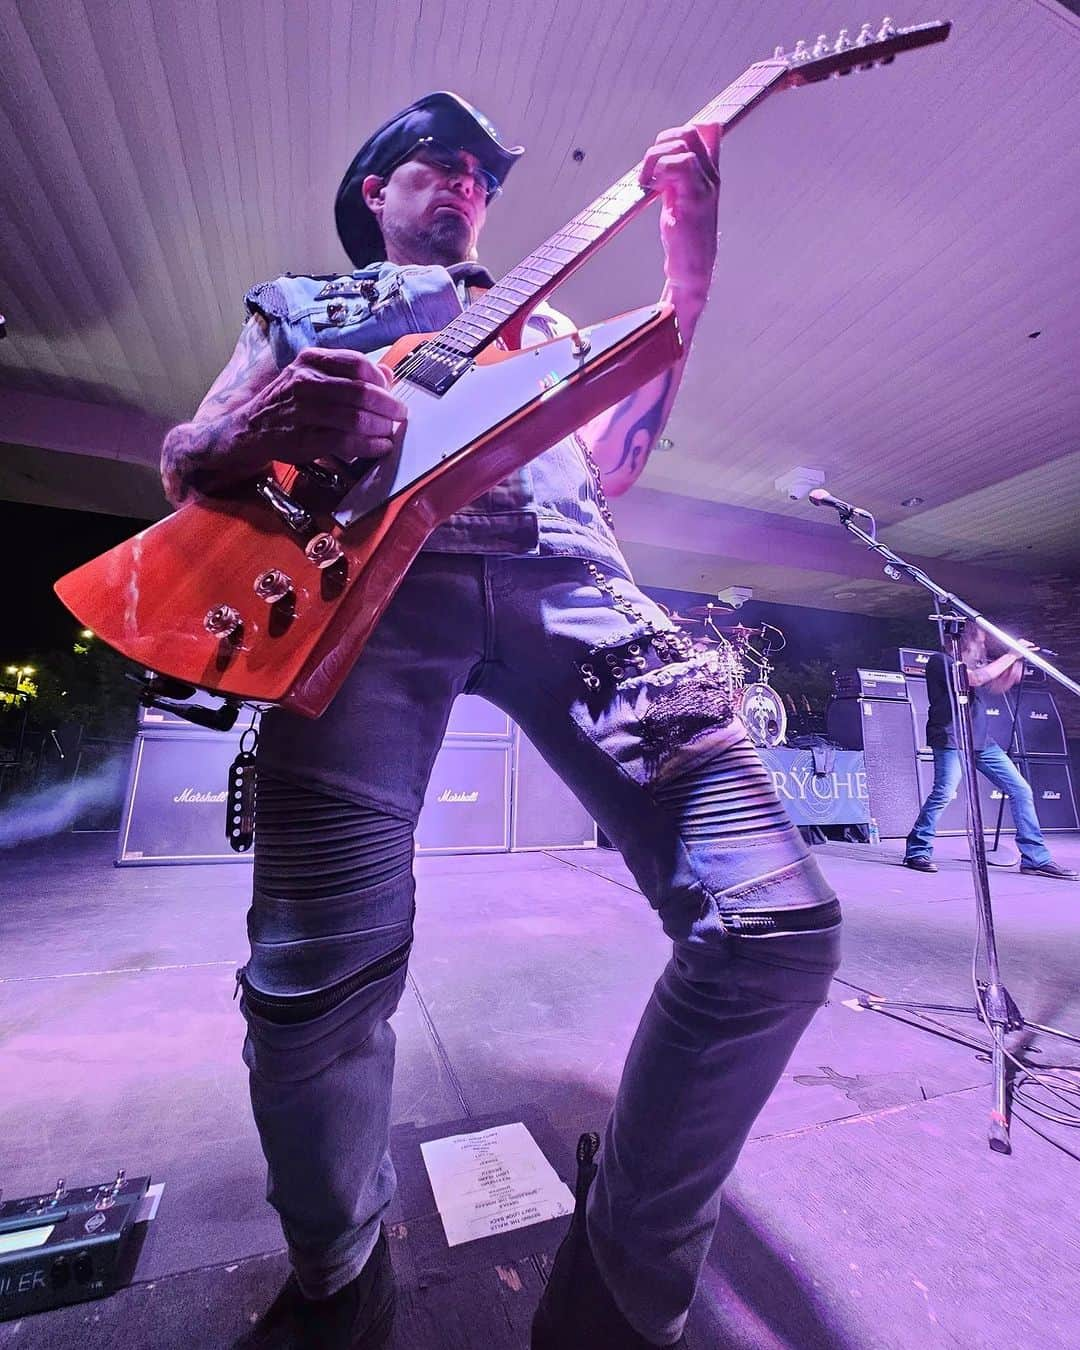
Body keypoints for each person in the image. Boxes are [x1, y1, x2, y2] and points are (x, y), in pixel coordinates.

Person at [160, 92, 842, 1350]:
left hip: (574, 578)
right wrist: (263, 424)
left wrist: (689, 261)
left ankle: (621, 1294)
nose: (466, 182)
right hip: (362, 593)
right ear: (378, 190)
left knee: (778, 923)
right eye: (438, 163)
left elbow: (622, 459)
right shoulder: (304, 305)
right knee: (315, 983)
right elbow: (186, 454)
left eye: (481, 172)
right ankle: (336, 1274)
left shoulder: (553, 318)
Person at [903, 622, 1078, 879]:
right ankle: (917, 849)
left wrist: (1016, 663)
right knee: (944, 792)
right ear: (966, 641)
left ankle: (1035, 859)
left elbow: (995, 684)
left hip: (982, 741)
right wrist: (1012, 654)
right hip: (951, 737)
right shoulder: (940, 661)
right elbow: (973, 679)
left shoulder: (974, 665)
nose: (983, 647)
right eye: (981, 642)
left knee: (1020, 789)